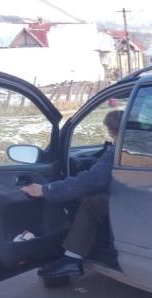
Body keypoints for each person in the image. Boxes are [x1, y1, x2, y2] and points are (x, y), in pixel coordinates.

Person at [20, 109, 123, 277]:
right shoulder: (145, 143)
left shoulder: (120, 150)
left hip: (134, 201)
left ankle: (72, 260)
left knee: (91, 202)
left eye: (109, 130)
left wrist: (45, 189)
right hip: (149, 196)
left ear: (112, 130)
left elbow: (91, 181)